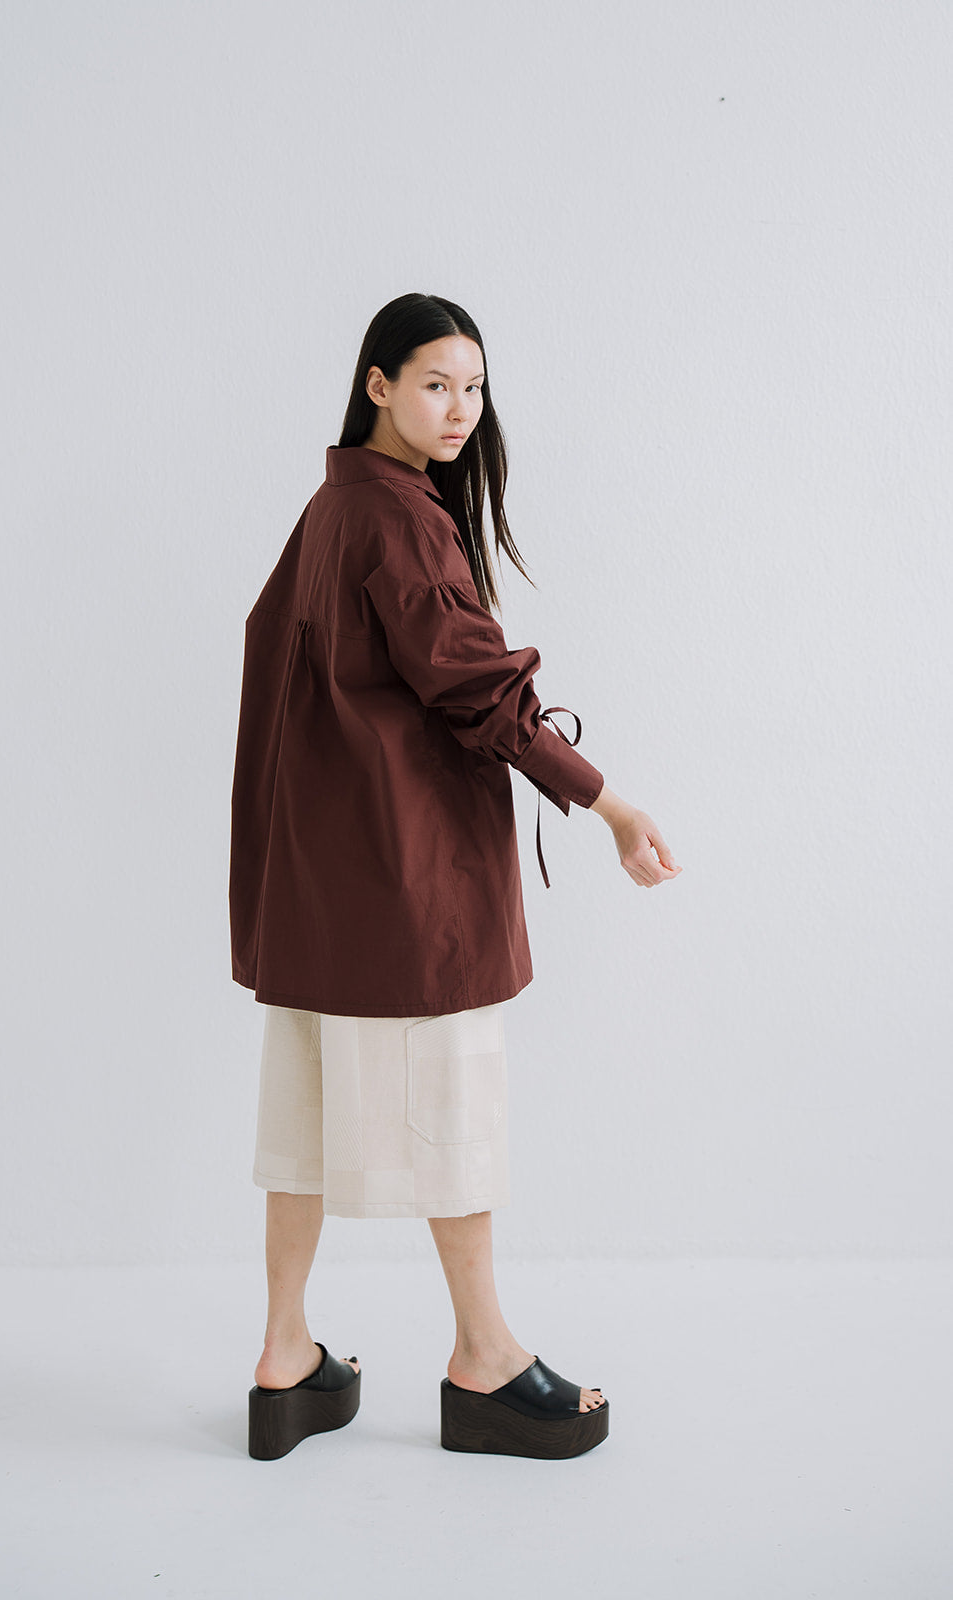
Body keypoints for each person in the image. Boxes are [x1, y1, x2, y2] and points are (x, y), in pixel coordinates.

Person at [229, 292, 682, 1460]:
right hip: (407, 884)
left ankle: (285, 1355)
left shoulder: (332, 507)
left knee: (302, 1115)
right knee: (457, 1117)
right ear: (375, 384)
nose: (459, 409)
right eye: (435, 383)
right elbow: (476, 688)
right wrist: (608, 803)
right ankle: (482, 1356)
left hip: (321, 889)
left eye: (473, 387)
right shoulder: (398, 519)